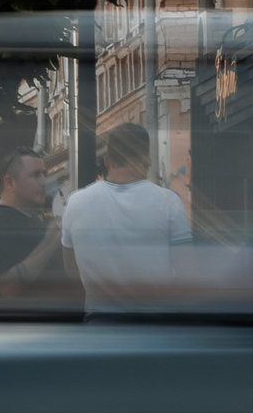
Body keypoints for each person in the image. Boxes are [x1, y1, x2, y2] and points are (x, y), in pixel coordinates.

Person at [59, 123, 192, 319]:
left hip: (100, 330)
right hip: (155, 330)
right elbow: (187, 274)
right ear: (147, 160)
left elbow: (71, 271)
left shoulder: (75, 203)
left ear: (107, 161)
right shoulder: (169, 203)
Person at [0, 149, 70, 321]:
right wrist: (50, 242)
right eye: (35, 175)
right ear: (10, 183)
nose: (43, 182)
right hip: (17, 340)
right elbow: (7, 287)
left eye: (44, 175)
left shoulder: (32, 221)